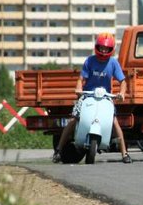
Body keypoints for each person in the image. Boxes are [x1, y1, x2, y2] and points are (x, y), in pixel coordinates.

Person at [53, 33, 131, 163]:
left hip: (106, 98)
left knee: (115, 122)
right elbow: (81, 79)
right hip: (88, 96)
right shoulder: (89, 61)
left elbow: (123, 81)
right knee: (73, 120)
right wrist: (78, 89)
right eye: (101, 48)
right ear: (97, 47)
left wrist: (122, 93)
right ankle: (58, 151)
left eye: (106, 49)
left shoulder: (113, 63)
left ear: (111, 49)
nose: (103, 51)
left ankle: (124, 154)